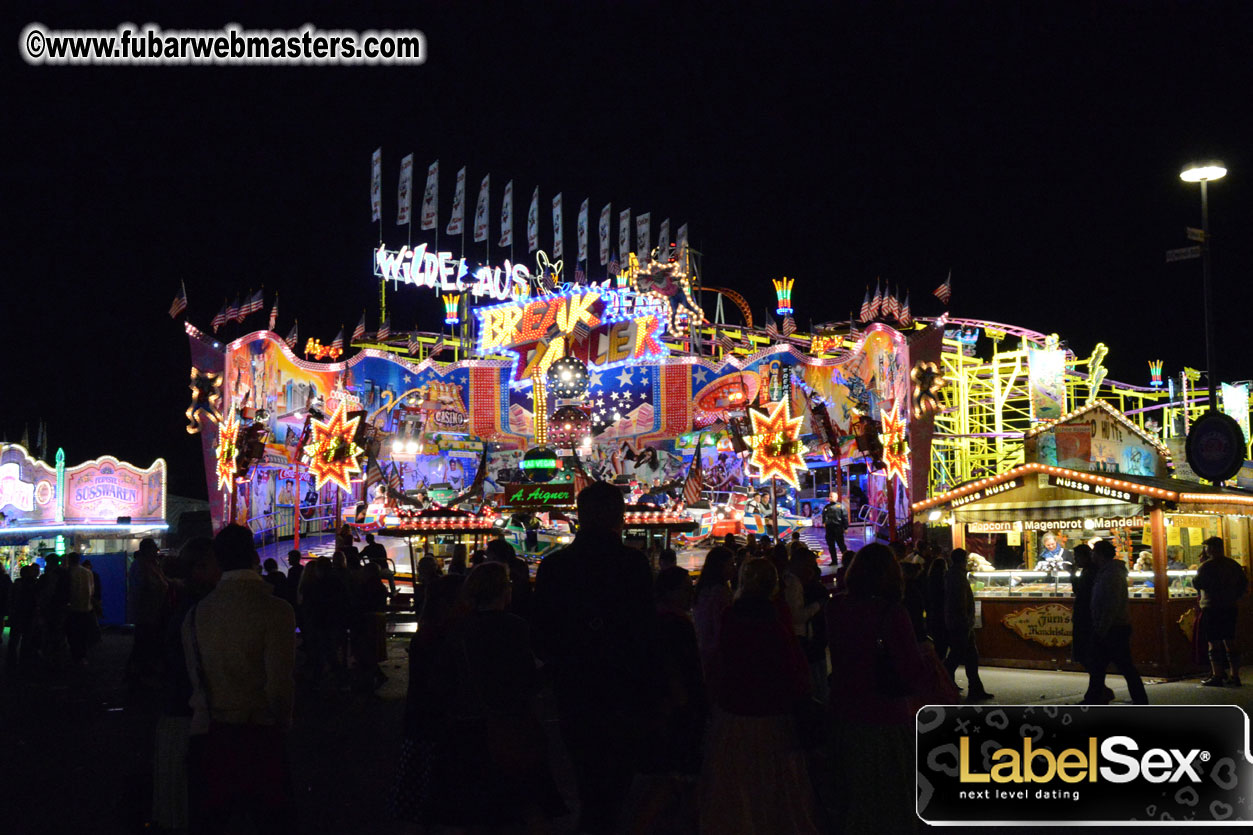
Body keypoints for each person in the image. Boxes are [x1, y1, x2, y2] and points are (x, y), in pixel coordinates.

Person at [532, 480, 659, 835]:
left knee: (587, 776)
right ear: (619, 519)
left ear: (579, 516)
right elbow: (647, 633)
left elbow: (541, 636)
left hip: (574, 689)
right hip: (623, 689)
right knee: (618, 781)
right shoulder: (632, 565)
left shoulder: (554, 567)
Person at [428, 562, 567, 829]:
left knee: (471, 807)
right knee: (528, 803)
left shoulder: (458, 629)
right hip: (510, 723)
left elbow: (442, 681)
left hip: (467, 725)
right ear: (504, 591)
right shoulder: (515, 627)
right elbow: (526, 679)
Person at [182, 524, 297, 833]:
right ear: (254, 557)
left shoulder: (196, 614)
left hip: (210, 735)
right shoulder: (276, 611)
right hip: (259, 736)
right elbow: (280, 686)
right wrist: (283, 722)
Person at [700, 559, 819, 834]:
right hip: (772, 713)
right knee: (776, 785)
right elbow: (793, 666)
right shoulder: (776, 618)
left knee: (737, 784)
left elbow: (721, 660)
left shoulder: (731, 616)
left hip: (735, 710)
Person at [826, 543, 932, 835]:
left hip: (846, 707)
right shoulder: (890, 612)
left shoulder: (836, 606)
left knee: (856, 791)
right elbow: (910, 668)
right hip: (885, 711)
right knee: (890, 792)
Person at [154, 538, 220, 835]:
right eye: (208, 566)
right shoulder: (195, 609)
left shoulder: (184, 604)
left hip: (180, 707)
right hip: (187, 708)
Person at [1089, 540, 1149, 704]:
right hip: (1112, 626)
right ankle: (1095, 698)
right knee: (1101, 666)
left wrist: (1102, 627)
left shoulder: (1111, 574)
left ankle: (1140, 699)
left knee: (1121, 666)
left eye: (1094, 552)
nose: (1091, 555)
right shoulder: (1108, 572)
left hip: (1113, 627)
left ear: (1100, 555)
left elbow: (1110, 604)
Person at [1193, 536, 1248, 687]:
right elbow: (1243, 584)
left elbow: (1197, 584)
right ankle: (1234, 675)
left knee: (1214, 642)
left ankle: (1217, 674)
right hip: (1230, 606)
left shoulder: (1207, 566)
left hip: (1212, 606)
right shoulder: (1233, 564)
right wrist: (1234, 596)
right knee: (1230, 641)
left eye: (1206, 547)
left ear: (1209, 549)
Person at [943, 548, 994, 701]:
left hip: (961, 622)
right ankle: (943, 684)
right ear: (962, 560)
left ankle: (975, 688)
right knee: (957, 655)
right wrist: (965, 620)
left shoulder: (954, 574)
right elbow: (959, 601)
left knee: (970, 656)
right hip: (961, 623)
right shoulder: (956, 576)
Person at [1068, 544, 1113, 704]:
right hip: (1086, 618)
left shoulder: (1092, 572)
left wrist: (1072, 576)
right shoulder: (1091, 571)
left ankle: (1097, 693)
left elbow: (1081, 592)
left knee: (1088, 656)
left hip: (1087, 619)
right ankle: (1100, 690)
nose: (1075, 560)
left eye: (1076, 557)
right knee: (1088, 656)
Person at [693, 546, 736, 689]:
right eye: (731, 564)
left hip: (705, 648)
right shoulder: (720, 592)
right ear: (720, 566)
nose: (733, 568)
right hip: (718, 652)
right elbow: (721, 625)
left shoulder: (704, 589)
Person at [128, 538, 169, 683]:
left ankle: (139, 672)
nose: (156, 552)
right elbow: (147, 587)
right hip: (147, 612)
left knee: (145, 642)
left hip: (150, 612)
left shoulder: (147, 565)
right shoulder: (142, 566)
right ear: (147, 550)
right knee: (145, 642)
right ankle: (140, 673)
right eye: (154, 549)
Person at [65, 552, 95, 664]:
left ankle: (74, 654)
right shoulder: (88, 573)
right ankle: (82, 655)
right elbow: (92, 591)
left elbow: (68, 591)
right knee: (83, 633)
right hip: (86, 608)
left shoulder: (69, 573)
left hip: (72, 608)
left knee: (72, 634)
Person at [361, 533, 396, 597]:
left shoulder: (367, 548)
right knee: (390, 575)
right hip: (383, 569)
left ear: (367, 540)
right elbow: (385, 557)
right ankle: (393, 591)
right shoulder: (380, 546)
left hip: (373, 571)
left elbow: (359, 556)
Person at [821, 492, 849, 565]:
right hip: (829, 528)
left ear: (836, 498)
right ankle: (834, 561)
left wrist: (846, 528)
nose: (830, 497)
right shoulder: (826, 507)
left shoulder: (840, 506)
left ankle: (847, 560)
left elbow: (845, 517)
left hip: (838, 528)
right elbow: (823, 515)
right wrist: (824, 522)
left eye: (832, 496)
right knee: (831, 545)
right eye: (829, 496)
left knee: (841, 545)